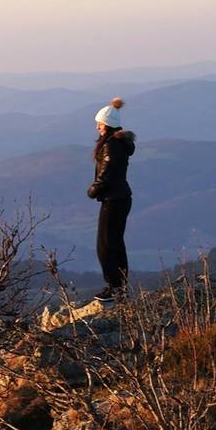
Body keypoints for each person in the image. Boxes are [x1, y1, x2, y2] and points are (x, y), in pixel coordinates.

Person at [88, 98, 134, 302]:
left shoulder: (110, 146)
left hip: (113, 200)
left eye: (99, 123)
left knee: (105, 245)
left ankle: (113, 287)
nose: (97, 126)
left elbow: (105, 175)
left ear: (107, 124)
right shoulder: (119, 143)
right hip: (121, 198)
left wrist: (92, 190)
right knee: (116, 243)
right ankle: (120, 287)